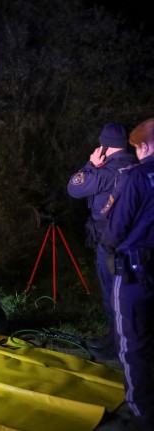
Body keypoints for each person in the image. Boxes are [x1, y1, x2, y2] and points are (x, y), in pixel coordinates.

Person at [100, 118, 154, 430]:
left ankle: (140, 413)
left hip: (135, 272)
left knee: (133, 342)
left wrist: (107, 249)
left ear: (143, 145)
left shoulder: (135, 178)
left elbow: (116, 229)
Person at [67, 123, 137, 358]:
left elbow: (74, 188)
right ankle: (122, 341)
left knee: (112, 296)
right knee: (129, 295)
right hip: (134, 242)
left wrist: (91, 164)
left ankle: (117, 346)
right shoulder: (136, 165)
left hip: (110, 244)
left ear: (105, 145)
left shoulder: (105, 172)